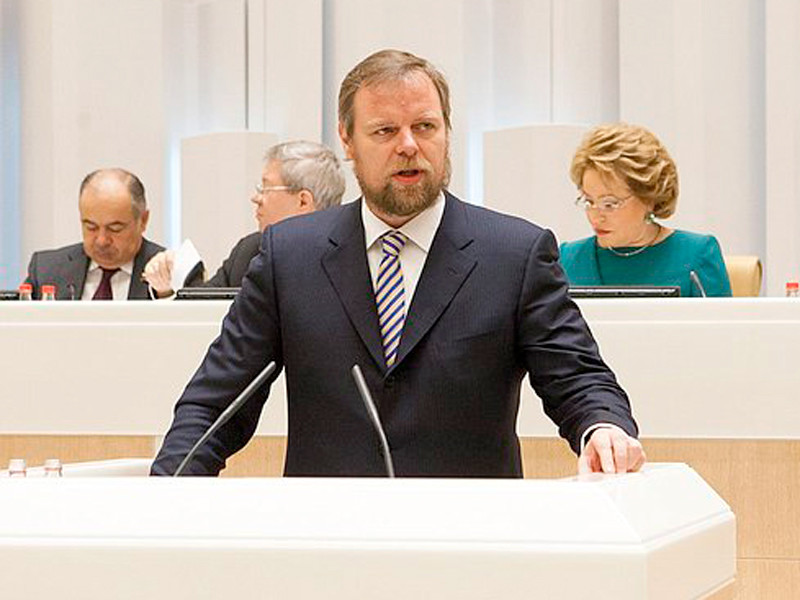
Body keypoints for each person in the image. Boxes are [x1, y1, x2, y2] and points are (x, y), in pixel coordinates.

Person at [151, 49, 645, 478]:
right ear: (347, 140)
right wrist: (169, 486)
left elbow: (578, 376)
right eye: (385, 130)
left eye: (424, 127)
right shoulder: (290, 255)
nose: (408, 145)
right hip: (327, 535)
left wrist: (603, 427)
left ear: (447, 132)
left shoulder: (514, 254)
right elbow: (216, 400)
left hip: (472, 537)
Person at [143, 140, 346, 296]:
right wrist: (166, 287)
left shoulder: (348, 261)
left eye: (266, 188)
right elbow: (200, 308)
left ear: (303, 201)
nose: (256, 198)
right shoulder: (249, 251)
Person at [559, 123, 732, 297]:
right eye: (589, 201)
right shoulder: (568, 258)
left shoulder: (697, 255)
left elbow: (720, 316)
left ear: (648, 197)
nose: (595, 217)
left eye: (609, 204)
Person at [24, 168, 163, 300]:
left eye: (115, 228)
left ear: (143, 220)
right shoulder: (47, 270)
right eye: (91, 227)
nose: (101, 240)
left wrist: (165, 293)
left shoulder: (168, 272)